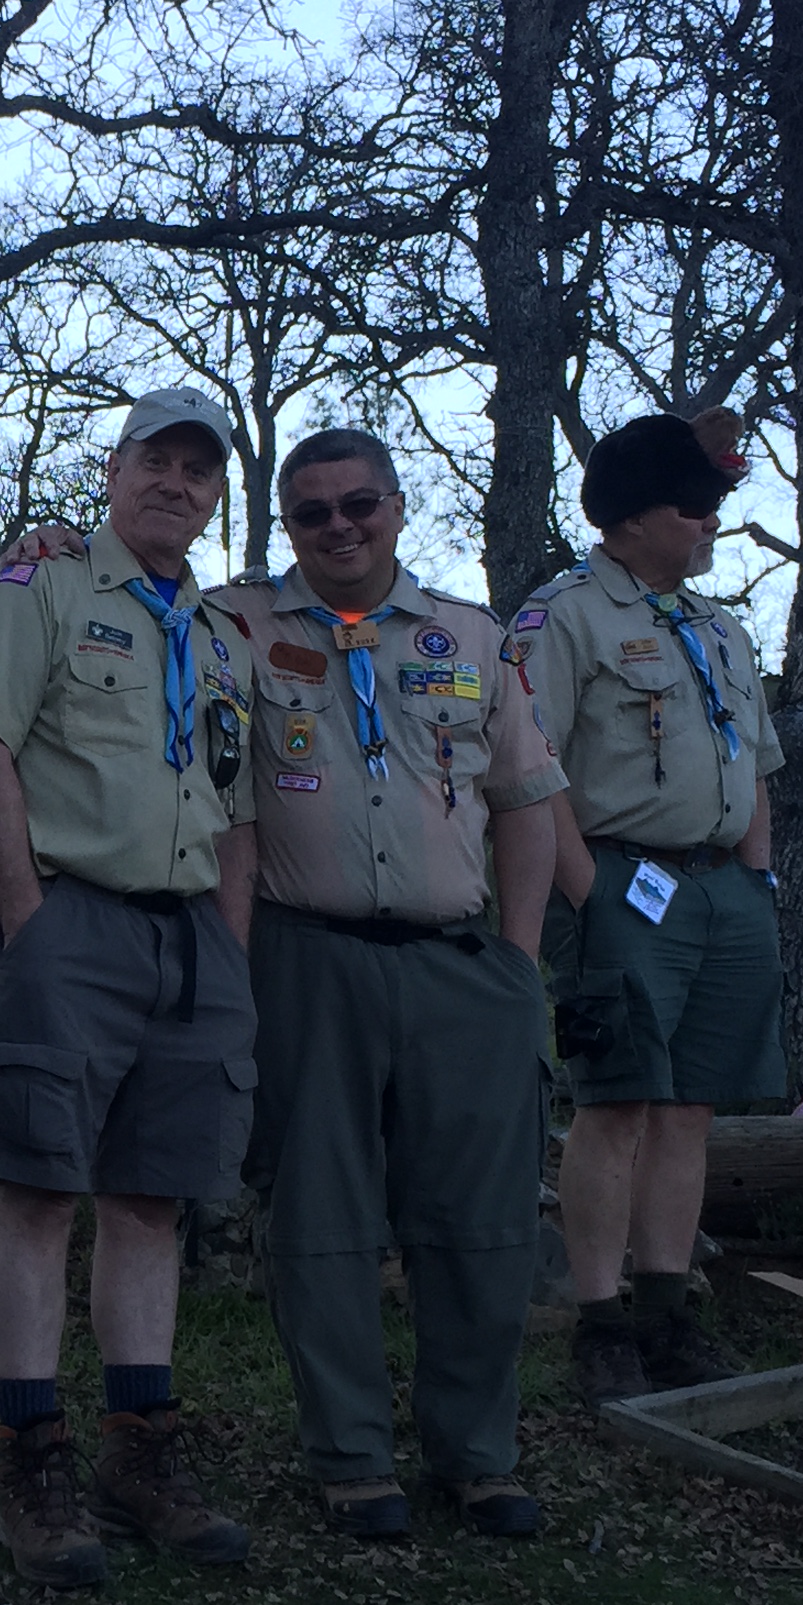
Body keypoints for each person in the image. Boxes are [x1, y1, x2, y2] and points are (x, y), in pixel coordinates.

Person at [212, 429, 567, 1541]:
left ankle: (479, 1455)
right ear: (288, 525)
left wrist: (518, 962)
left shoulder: (471, 636)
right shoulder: (234, 625)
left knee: (481, 1224)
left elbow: (526, 803)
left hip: (459, 965)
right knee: (320, 1220)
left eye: (359, 504)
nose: (339, 528)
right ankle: (353, 1459)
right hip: (306, 959)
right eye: (311, 512)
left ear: (399, 507)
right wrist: (47, 546)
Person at [0, 386, 257, 1589]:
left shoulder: (219, 634)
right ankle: (31, 1458)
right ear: (114, 471)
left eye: (197, 469)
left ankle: (142, 1448)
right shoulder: (45, 585)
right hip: (72, 917)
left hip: (190, 938)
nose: (175, 483)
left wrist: (228, 947)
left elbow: (235, 803)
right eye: (154, 461)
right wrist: (29, 919)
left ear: (215, 493)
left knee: (152, 1202)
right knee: (38, 1190)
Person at [511, 410, 782, 1406]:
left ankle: (668, 1316)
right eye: (692, 505)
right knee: (616, 1104)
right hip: (621, 882)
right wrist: (591, 892)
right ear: (630, 520)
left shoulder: (718, 626)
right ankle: (602, 1322)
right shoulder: (564, 616)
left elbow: (756, 761)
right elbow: (528, 765)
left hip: (724, 890)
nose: (710, 522)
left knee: (688, 1109)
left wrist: (757, 878)